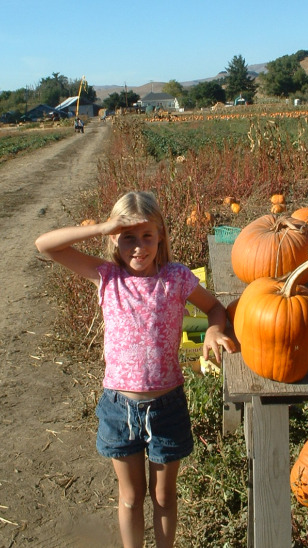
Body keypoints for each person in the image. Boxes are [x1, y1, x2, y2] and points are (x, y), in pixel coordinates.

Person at [35, 191, 235, 548]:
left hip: (167, 406)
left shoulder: (176, 277)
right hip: (118, 408)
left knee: (164, 497)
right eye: (128, 236)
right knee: (130, 497)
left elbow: (215, 307)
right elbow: (45, 245)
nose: (139, 246)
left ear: (161, 236)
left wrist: (214, 329)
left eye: (147, 236)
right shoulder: (107, 277)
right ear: (114, 238)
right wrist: (104, 226)